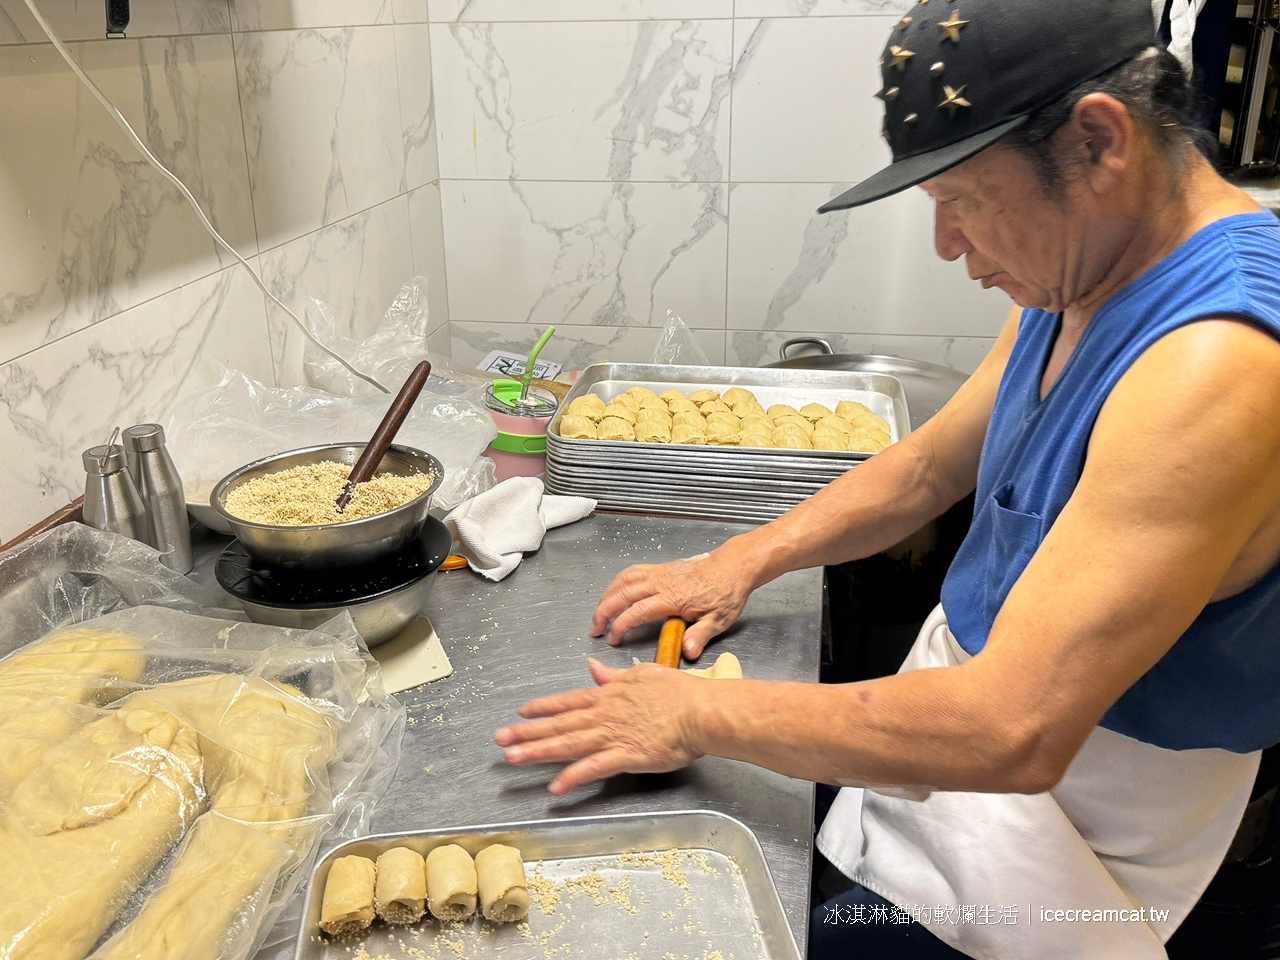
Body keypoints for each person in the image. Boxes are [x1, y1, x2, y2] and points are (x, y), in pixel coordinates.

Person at [494, 0, 1280, 956]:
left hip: (1083, 819)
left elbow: (1016, 728)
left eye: (964, 203)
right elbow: (926, 467)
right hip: (967, 739)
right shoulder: (1090, 265)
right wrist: (745, 559)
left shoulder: (1217, 364)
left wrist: (695, 711)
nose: (950, 249)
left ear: (1097, 142)